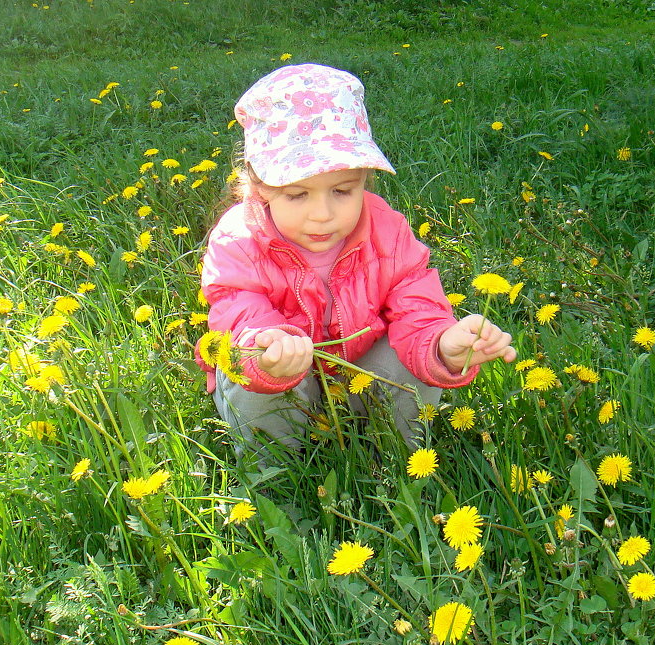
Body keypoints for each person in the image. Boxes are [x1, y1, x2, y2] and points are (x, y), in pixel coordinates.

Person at [199, 63, 516, 458]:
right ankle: (276, 476)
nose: (323, 214)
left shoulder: (387, 231)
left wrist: (442, 345)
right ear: (259, 184)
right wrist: (267, 348)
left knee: (409, 356)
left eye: (343, 191)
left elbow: (416, 302)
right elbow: (237, 309)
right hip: (280, 380)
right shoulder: (239, 241)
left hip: (359, 380)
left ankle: (398, 461)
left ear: (364, 177)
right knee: (243, 367)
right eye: (298, 195)